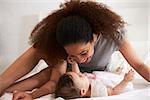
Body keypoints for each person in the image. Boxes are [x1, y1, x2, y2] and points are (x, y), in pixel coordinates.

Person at [0, 0, 150, 99]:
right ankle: (4, 88)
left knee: (46, 75)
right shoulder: (60, 46)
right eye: (72, 55)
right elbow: (53, 81)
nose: (79, 59)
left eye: (84, 52)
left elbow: (138, 65)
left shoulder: (113, 35)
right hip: (70, 75)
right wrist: (31, 96)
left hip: (92, 76)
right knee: (44, 70)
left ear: (94, 36)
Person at [55, 62, 134, 99]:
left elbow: (77, 73)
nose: (81, 74)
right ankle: (120, 76)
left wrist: (74, 63)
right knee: (116, 77)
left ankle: (116, 74)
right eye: (80, 76)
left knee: (111, 74)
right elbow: (113, 91)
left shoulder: (82, 84)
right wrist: (125, 81)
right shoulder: (97, 91)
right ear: (82, 92)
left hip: (103, 76)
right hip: (116, 84)